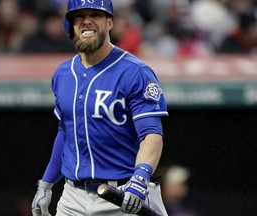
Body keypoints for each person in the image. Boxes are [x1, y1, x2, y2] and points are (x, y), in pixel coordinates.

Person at [31, 0, 169, 215]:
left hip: (124, 193)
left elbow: (151, 134)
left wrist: (140, 177)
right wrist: (46, 183)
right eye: (79, 16)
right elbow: (66, 132)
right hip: (73, 197)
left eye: (95, 15)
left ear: (110, 23)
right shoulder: (62, 73)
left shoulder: (135, 72)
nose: (86, 21)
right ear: (71, 24)